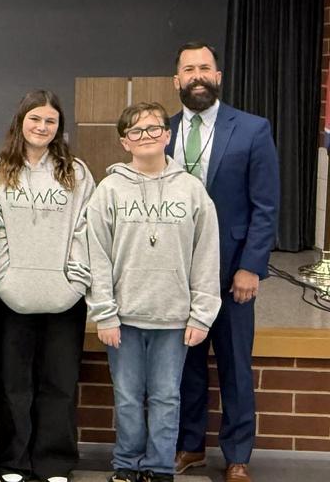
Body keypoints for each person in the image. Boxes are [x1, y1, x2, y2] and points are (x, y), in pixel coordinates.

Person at [88, 102, 221, 482]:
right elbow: (96, 253)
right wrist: (104, 312)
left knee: (166, 398)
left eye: (152, 129)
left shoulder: (192, 190)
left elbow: (207, 254)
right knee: (128, 399)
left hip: (174, 317)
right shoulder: (108, 189)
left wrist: (201, 313)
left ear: (167, 135)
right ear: (124, 142)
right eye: (136, 131)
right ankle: (127, 465)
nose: (145, 136)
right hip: (123, 319)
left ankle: (160, 468)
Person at [169, 42, 280, 482]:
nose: (197, 75)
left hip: (233, 272)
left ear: (219, 76)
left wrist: (251, 266)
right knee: (187, 368)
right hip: (178, 273)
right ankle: (190, 446)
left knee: (235, 367)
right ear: (177, 80)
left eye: (205, 68)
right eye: (188, 69)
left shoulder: (252, 129)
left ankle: (237, 455)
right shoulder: (164, 130)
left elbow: (266, 205)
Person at [0, 90, 95, 482]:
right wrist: (5, 280)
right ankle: (13, 461)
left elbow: (85, 229)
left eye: (50, 121)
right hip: (12, 297)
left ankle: (54, 461)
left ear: (59, 127)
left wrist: (74, 281)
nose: (42, 127)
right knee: (14, 385)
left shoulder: (75, 171)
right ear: (20, 122)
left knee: (59, 383)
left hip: (65, 297)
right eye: (35, 119)